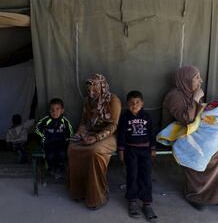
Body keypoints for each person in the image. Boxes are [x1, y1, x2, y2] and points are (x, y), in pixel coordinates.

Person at [161, 65, 218, 211]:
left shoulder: (190, 93)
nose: (201, 80)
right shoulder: (174, 96)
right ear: (185, 79)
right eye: (196, 77)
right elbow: (187, 119)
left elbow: (200, 116)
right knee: (217, 154)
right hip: (179, 133)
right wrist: (196, 98)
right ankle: (196, 194)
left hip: (196, 131)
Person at [68, 73, 121, 210]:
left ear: (102, 86)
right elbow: (84, 122)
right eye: (89, 88)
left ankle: (98, 195)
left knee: (95, 150)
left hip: (110, 136)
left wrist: (96, 138)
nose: (91, 91)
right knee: (73, 148)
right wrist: (81, 132)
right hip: (92, 133)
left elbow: (113, 125)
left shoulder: (113, 100)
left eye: (95, 87)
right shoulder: (88, 101)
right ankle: (79, 191)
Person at [117, 90, 157, 220]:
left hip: (145, 150)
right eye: (131, 103)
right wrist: (121, 151)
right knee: (132, 175)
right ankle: (132, 201)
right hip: (131, 150)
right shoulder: (125, 117)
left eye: (137, 102)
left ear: (142, 103)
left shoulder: (146, 116)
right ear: (127, 104)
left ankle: (147, 203)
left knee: (145, 175)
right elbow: (121, 135)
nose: (135, 105)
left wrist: (153, 148)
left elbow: (151, 133)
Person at [36, 98, 73, 179]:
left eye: (57, 109)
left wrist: (67, 139)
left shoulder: (65, 121)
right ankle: (51, 168)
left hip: (61, 143)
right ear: (49, 110)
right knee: (50, 155)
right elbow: (37, 128)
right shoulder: (46, 120)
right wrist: (43, 137)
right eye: (52, 110)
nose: (54, 112)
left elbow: (70, 132)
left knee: (62, 154)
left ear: (62, 110)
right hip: (49, 143)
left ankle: (60, 169)